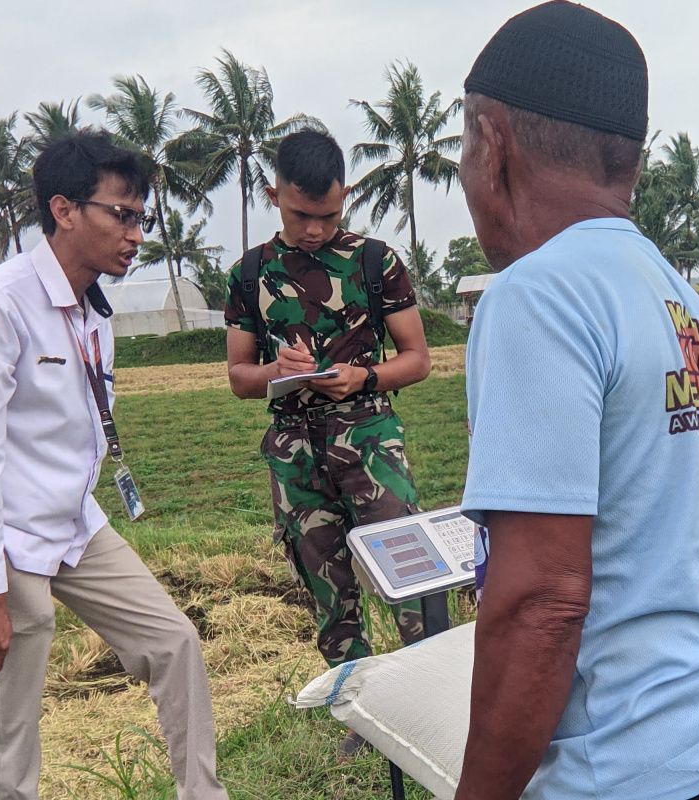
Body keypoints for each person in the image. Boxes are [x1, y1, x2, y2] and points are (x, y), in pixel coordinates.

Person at [454, 3, 699, 799]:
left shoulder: (540, 295)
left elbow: (542, 602)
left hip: (630, 772)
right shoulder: (690, 312)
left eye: (462, 146)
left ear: (492, 145)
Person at [0, 130, 228, 800]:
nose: (136, 235)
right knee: (14, 714)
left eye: (141, 218)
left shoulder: (94, 309)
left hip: (71, 520)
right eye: (121, 215)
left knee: (174, 642)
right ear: (64, 211)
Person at [223, 130, 431, 714]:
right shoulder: (248, 274)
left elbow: (418, 360)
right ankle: (359, 715)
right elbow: (238, 376)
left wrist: (363, 378)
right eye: (301, 215)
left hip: (369, 438)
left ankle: (431, 698)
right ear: (274, 196)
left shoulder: (374, 261)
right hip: (294, 450)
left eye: (329, 215)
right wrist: (274, 371)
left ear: (345, 197)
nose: (315, 230)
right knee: (329, 595)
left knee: (409, 574)